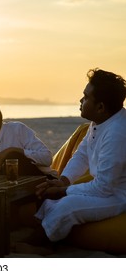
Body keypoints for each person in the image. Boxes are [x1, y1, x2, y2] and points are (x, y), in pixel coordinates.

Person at [34, 68, 126, 246]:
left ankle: (42, 246)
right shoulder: (101, 121)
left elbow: (104, 188)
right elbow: (82, 154)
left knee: (68, 206)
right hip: (106, 190)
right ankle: (40, 236)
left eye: (85, 97)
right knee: (54, 198)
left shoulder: (118, 132)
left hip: (118, 195)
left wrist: (63, 190)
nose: (80, 100)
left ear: (100, 107)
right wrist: (64, 181)